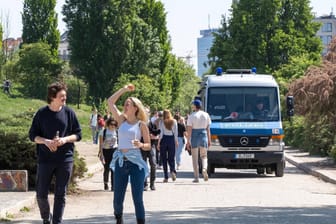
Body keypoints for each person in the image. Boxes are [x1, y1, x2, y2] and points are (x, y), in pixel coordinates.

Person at [28, 82, 82, 224]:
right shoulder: (41, 114)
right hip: (45, 159)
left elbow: (78, 134)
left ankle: (57, 221)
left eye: (65, 95)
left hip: (65, 159)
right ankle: (46, 217)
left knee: (60, 194)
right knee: (41, 194)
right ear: (52, 97)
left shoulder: (69, 113)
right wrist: (46, 141)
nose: (65, 98)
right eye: (62, 96)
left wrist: (64, 140)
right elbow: (32, 135)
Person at [107, 83, 151, 224]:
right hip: (121, 161)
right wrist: (124, 90)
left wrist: (141, 144)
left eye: (128, 104)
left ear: (135, 108)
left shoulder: (141, 124)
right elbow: (110, 102)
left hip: (135, 162)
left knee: (137, 198)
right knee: (117, 198)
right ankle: (119, 219)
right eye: (125, 104)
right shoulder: (121, 120)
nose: (125, 106)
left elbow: (149, 145)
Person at [186, 99, 211, 183]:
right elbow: (208, 129)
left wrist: (188, 141)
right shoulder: (206, 115)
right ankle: (204, 168)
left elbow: (189, 130)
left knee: (195, 158)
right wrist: (209, 139)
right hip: (203, 135)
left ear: (195, 106)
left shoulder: (192, 116)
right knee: (204, 156)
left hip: (194, 136)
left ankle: (196, 177)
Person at [158, 109, 178, 182]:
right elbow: (176, 133)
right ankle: (172, 170)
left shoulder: (162, 122)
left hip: (164, 140)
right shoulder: (174, 121)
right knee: (171, 158)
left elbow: (161, 134)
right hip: (171, 139)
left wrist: (158, 143)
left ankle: (166, 177)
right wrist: (176, 141)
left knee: (164, 159)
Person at [98, 118, 118, 191]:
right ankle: (106, 183)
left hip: (114, 151)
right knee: (106, 168)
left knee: (113, 168)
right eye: (111, 124)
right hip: (105, 151)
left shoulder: (117, 132)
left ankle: (114, 185)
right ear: (108, 124)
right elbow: (100, 144)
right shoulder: (103, 131)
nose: (113, 126)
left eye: (114, 125)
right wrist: (101, 154)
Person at [141, 112, 159, 191]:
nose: (146, 114)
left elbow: (157, 134)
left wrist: (154, 136)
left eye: (148, 112)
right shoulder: (139, 124)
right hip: (142, 146)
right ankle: (145, 184)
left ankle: (152, 183)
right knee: (143, 165)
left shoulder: (152, 124)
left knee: (153, 163)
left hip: (151, 146)